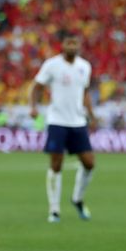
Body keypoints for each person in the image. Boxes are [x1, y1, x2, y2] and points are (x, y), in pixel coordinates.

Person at [30, 32, 97, 223]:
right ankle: (54, 210)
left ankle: (77, 199)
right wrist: (33, 106)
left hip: (77, 121)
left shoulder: (85, 66)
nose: (72, 46)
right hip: (57, 120)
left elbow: (84, 93)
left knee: (89, 163)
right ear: (63, 45)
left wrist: (91, 115)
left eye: (75, 43)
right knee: (56, 164)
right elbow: (37, 86)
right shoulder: (52, 65)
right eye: (69, 42)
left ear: (79, 46)